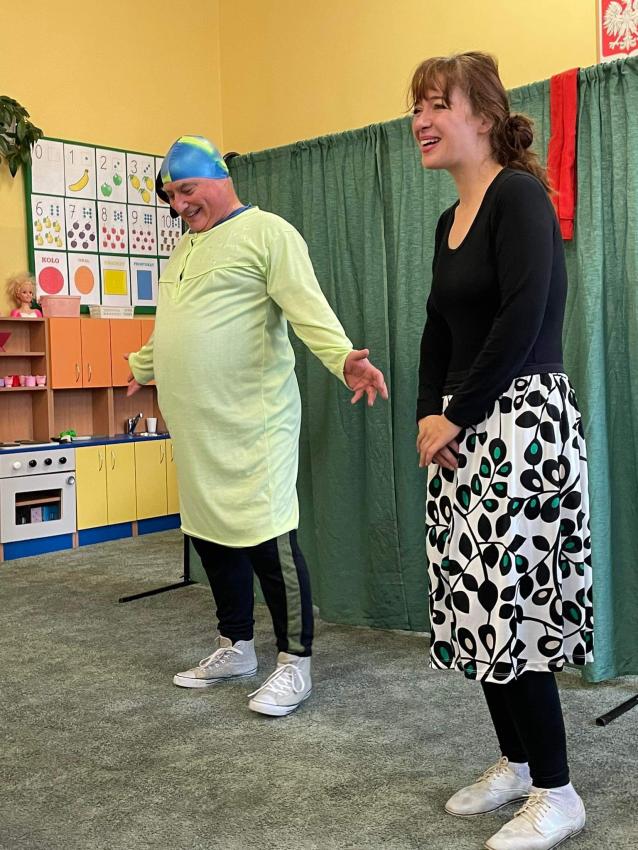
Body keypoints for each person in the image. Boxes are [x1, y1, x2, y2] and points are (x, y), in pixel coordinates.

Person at [127, 135, 387, 717]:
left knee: (268, 538)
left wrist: (343, 358)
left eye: (187, 190)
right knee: (210, 535)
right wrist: (143, 367)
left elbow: (306, 307)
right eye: (171, 197)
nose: (180, 206)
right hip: (197, 428)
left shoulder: (269, 232)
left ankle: (296, 663)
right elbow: (173, 324)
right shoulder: (183, 249)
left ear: (220, 178)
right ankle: (236, 646)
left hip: (254, 424)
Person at [412, 53, 592, 850]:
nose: (420, 120)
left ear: (482, 117)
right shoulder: (448, 222)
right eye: (415, 107)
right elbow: (435, 330)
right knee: (475, 602)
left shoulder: (518, 196)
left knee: (514, 605)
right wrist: (429, 414)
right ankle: (516, 764)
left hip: (521, 426)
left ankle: (558, 791)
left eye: (435, 104)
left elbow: (522, 319)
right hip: (463, 428)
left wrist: (457, 416)